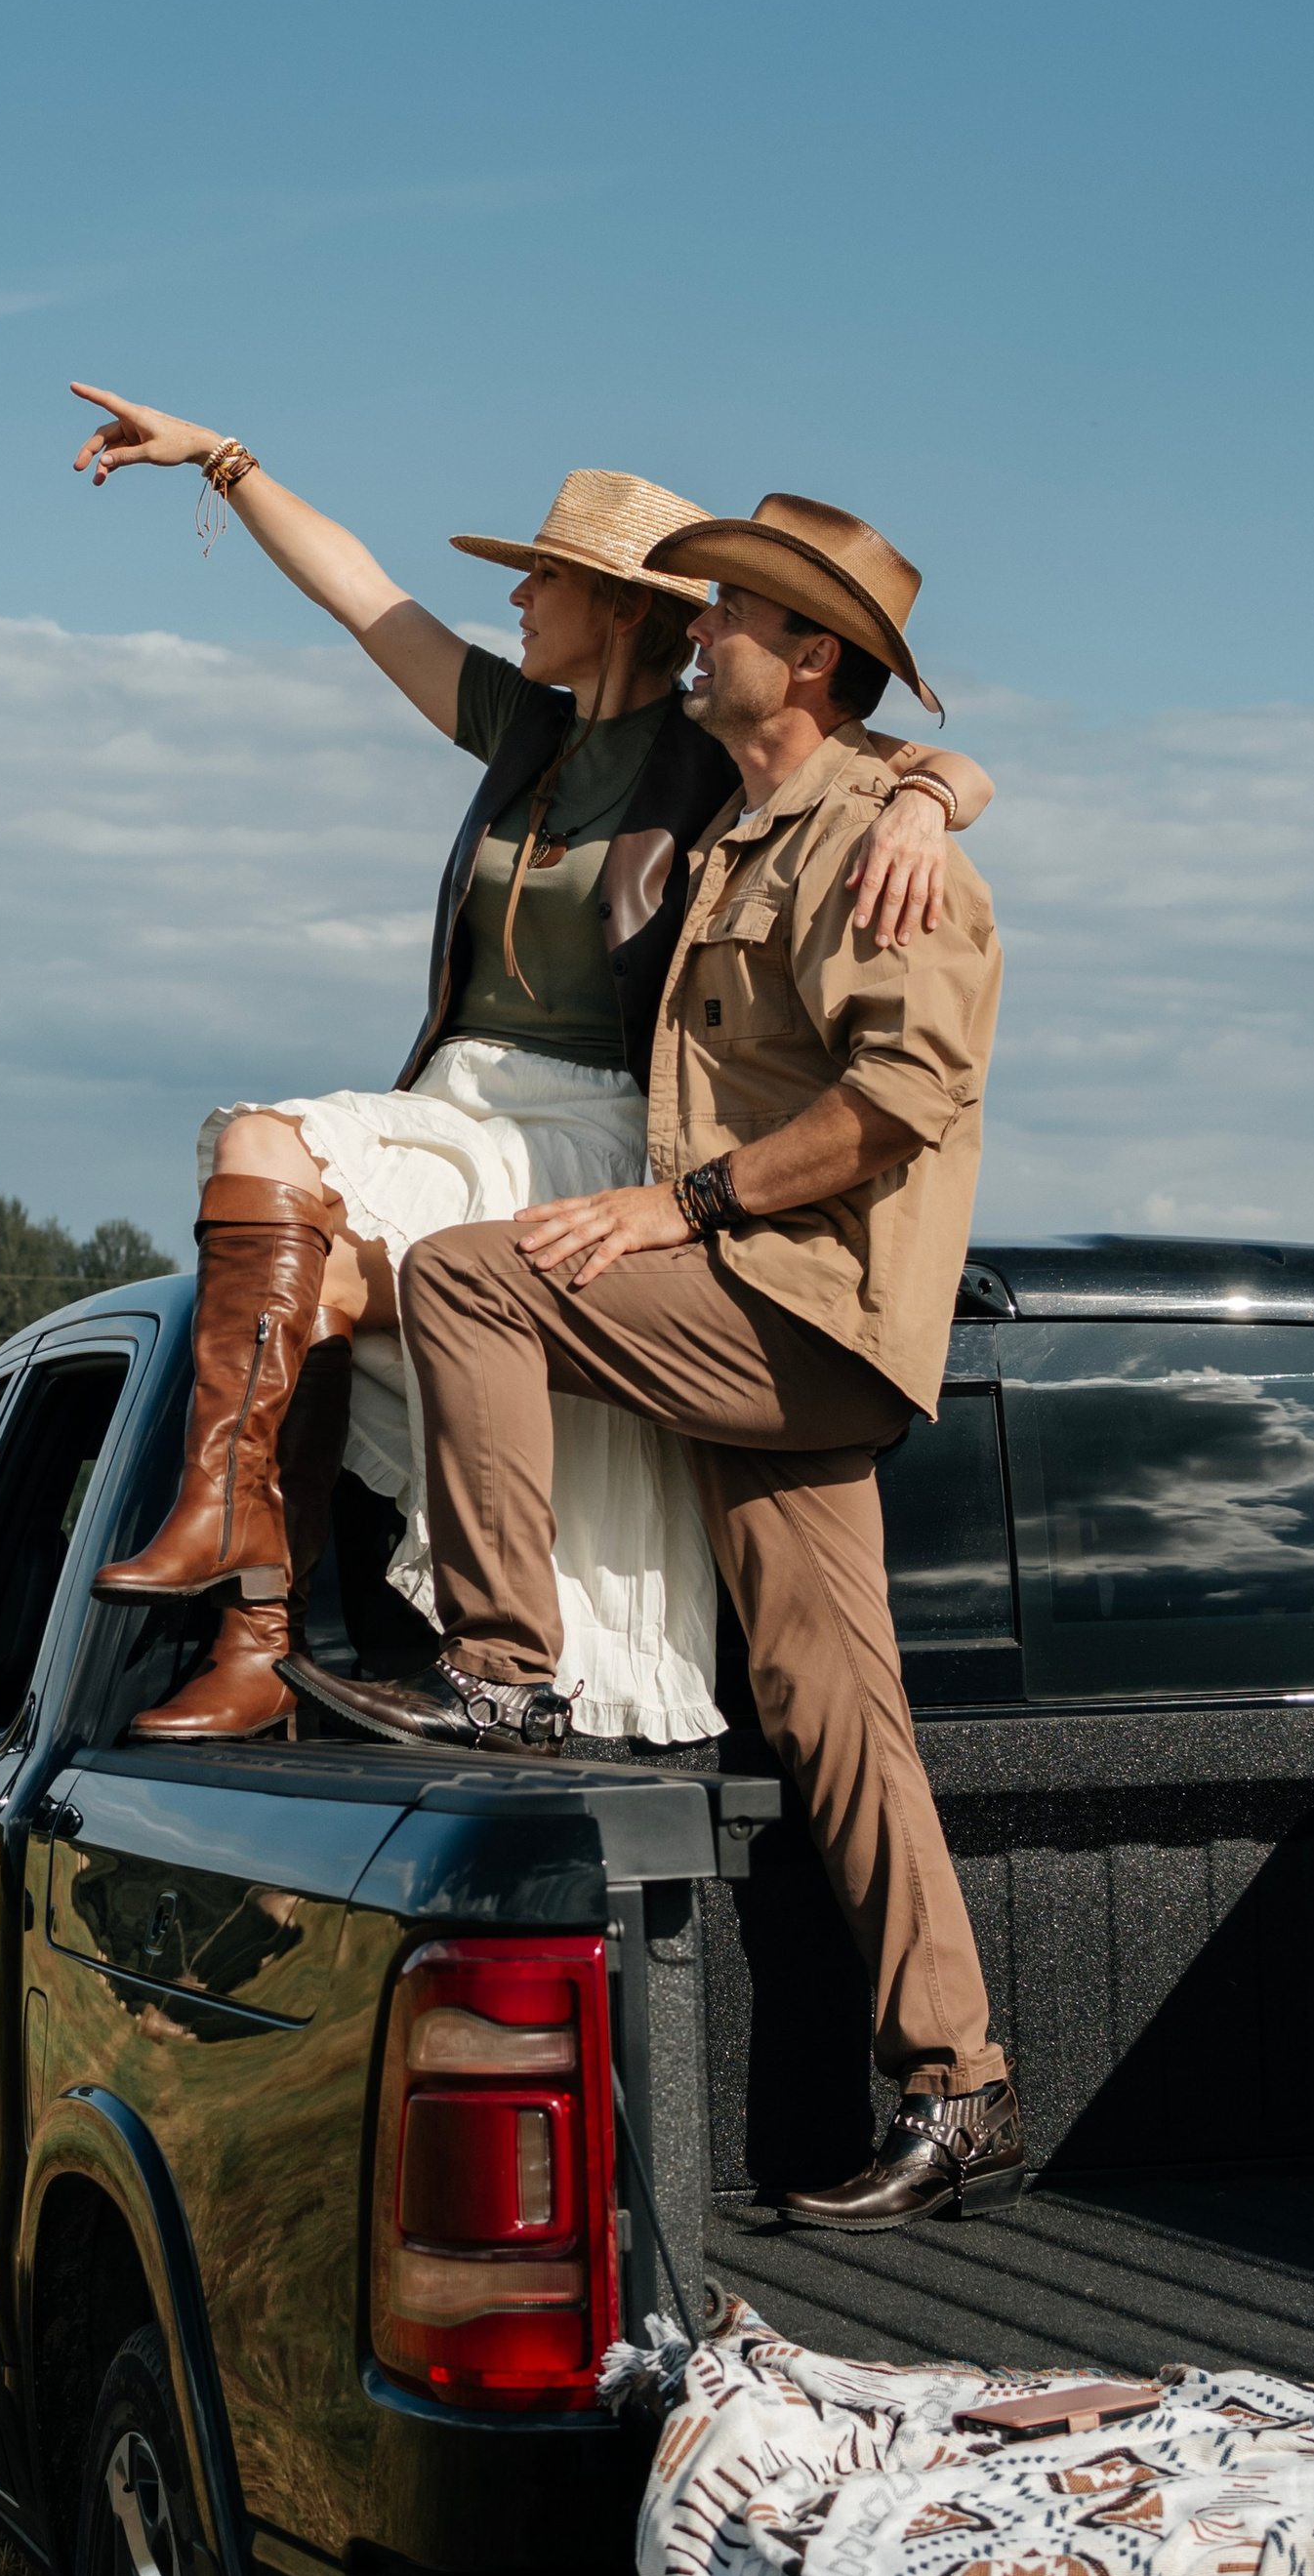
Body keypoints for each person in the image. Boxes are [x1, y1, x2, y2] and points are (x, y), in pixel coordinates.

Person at [68, 387, 998, 1765]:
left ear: (619, 604)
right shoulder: (524, 728)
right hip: (457, 1100)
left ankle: (261, 1627)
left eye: (538, 581)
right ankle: (244, 1583)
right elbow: (365, 599)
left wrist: (931, 801)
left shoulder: (706, 754)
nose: (513, 603)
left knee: (301, 1260)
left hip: (591, 1122)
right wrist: (222, 460)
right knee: (264, 1175)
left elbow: (914, 759)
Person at [292, 494, 1022, 2232]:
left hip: (803, 1300)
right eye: (690, 615)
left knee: (473, 1283)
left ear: (815, 658)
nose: (700, 636)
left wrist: (674, 1208)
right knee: (843, 1715)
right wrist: (939, 771)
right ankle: (962, 2082)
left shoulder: (878, 847)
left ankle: (505, 1666)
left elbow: (904, 1099)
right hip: (765, 1302)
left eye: (734, 620)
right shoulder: (758, 816)